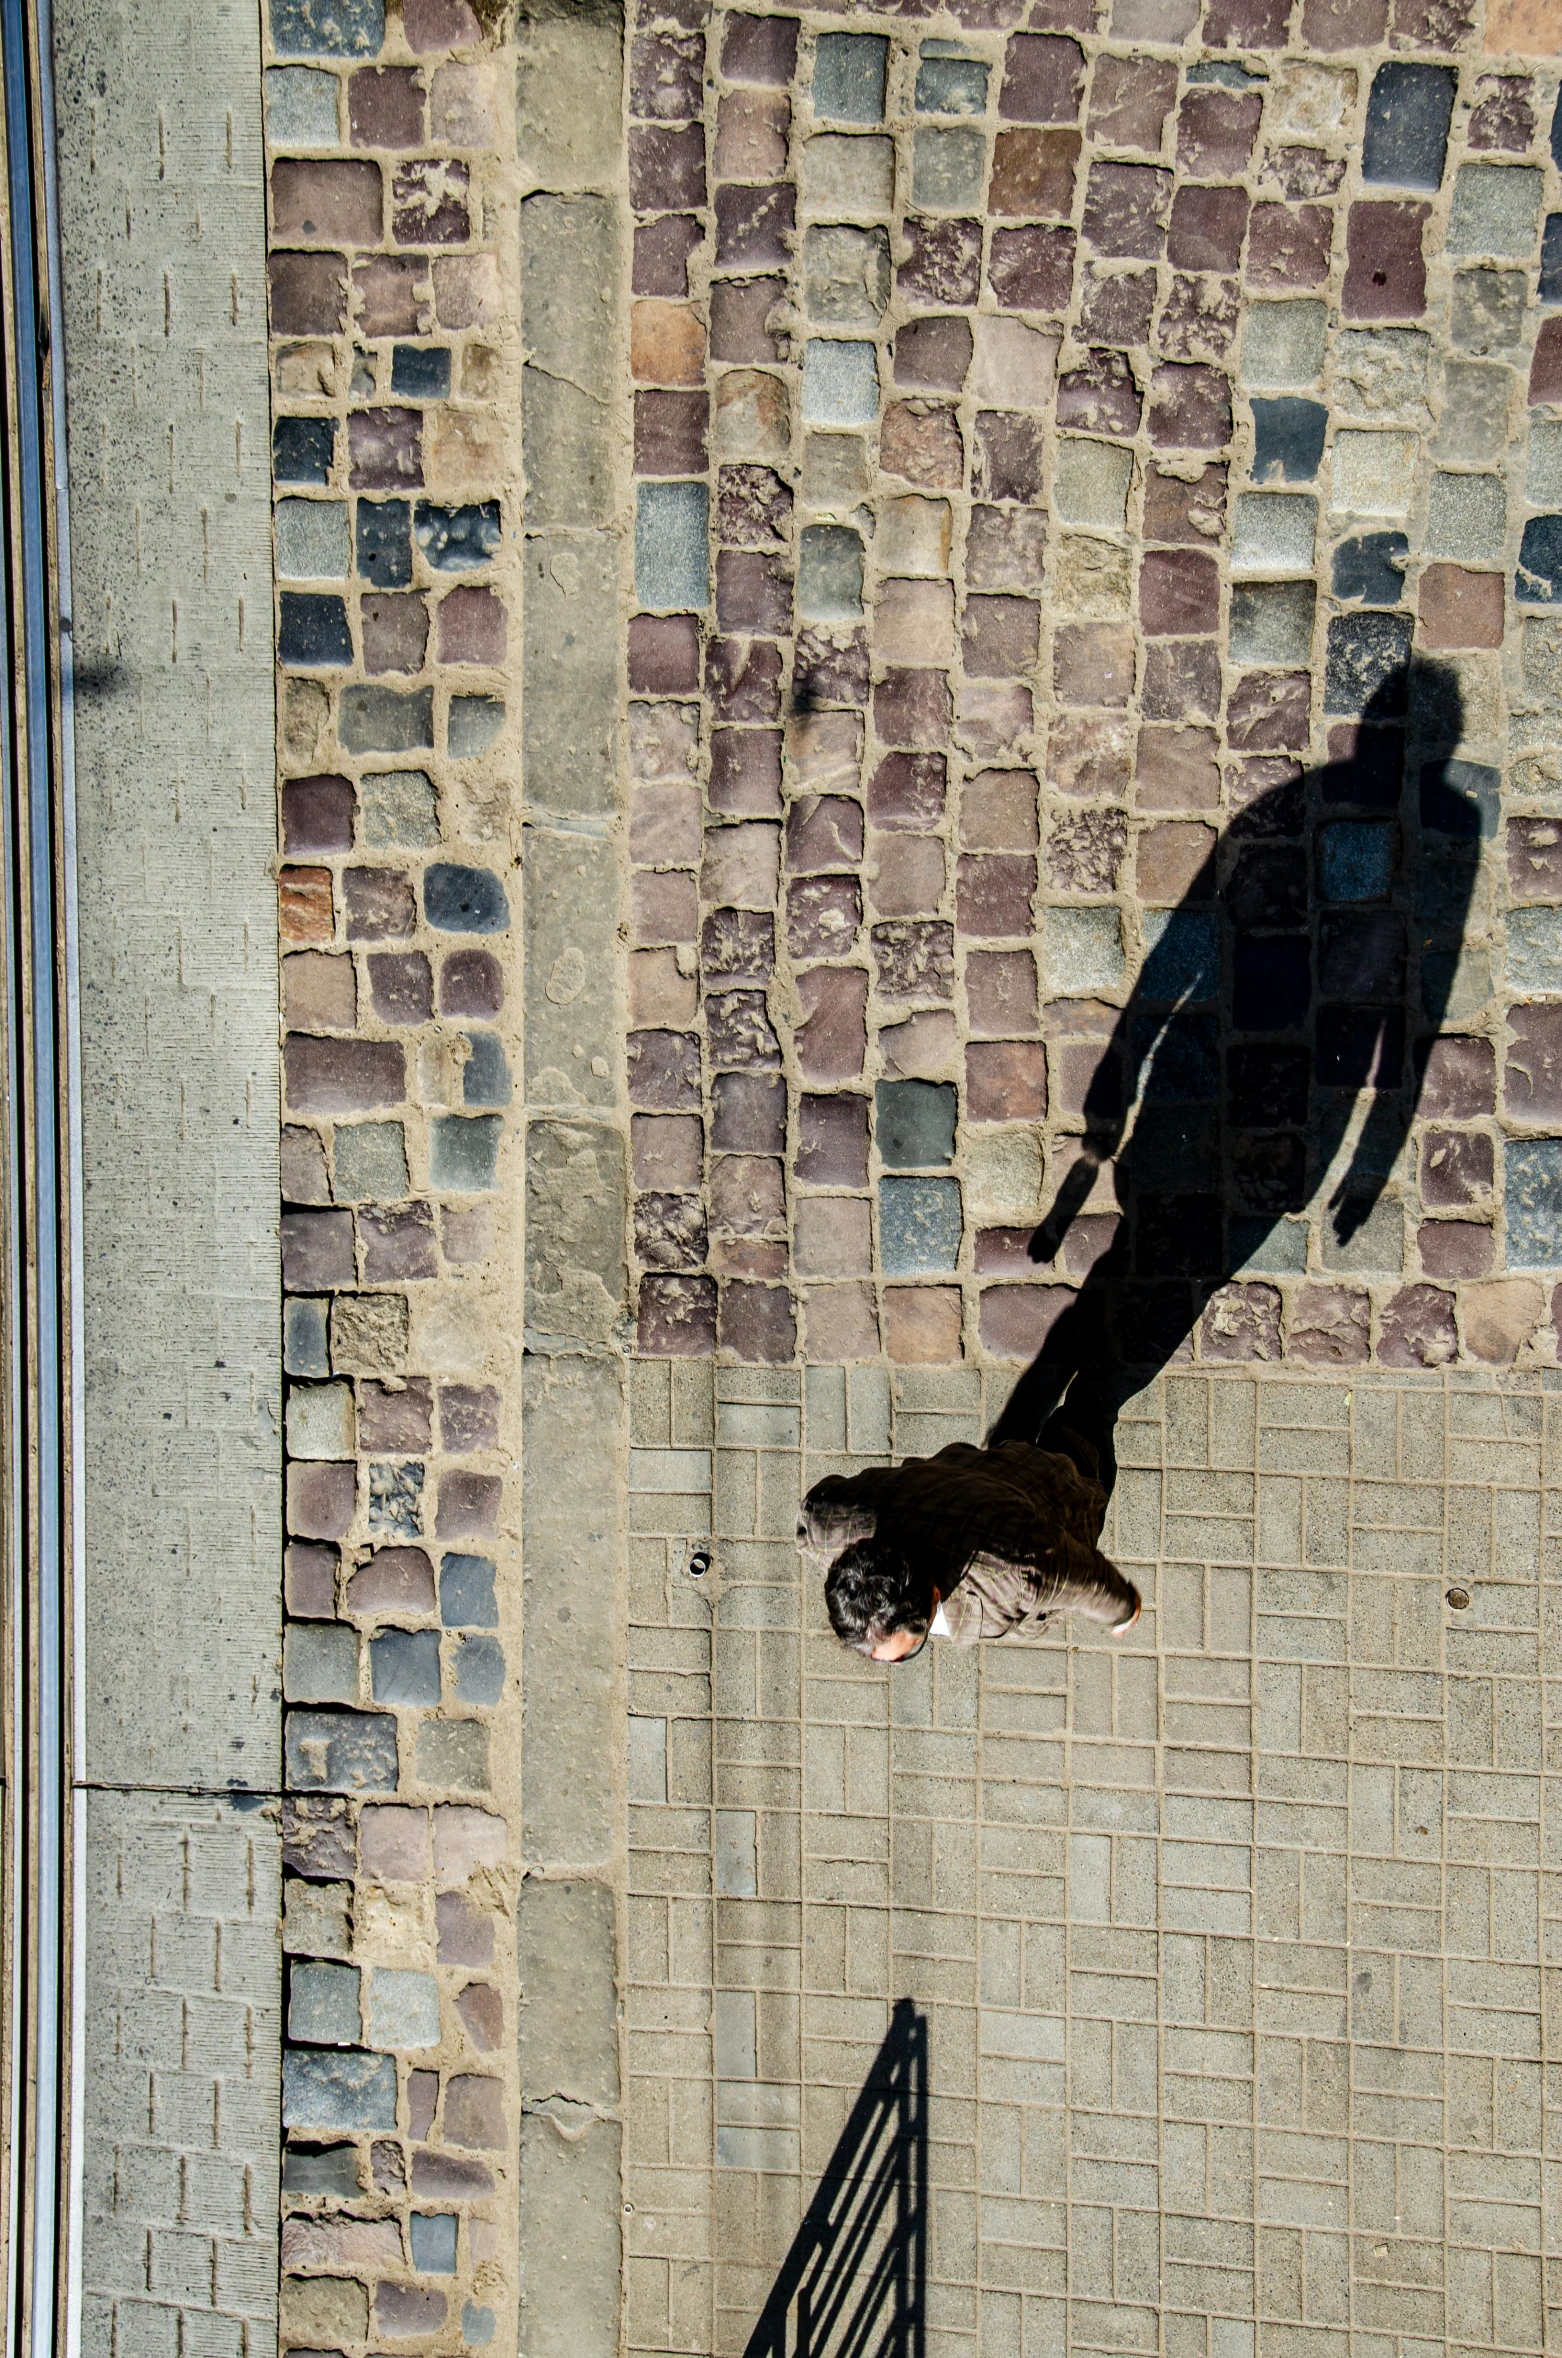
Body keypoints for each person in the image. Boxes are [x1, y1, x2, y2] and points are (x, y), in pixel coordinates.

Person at [800, 1373, 1141, 1663]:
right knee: (1018, 1432)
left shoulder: (1016, 1572)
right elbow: (814, 1511)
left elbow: (1083, 1577)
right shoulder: (828, 1523)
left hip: (1060, 1484)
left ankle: (1108, 1340)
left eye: (910, 1650)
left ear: (935, 1595)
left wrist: (1124, 1608)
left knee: (1087, 1414)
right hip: (979, 1472)